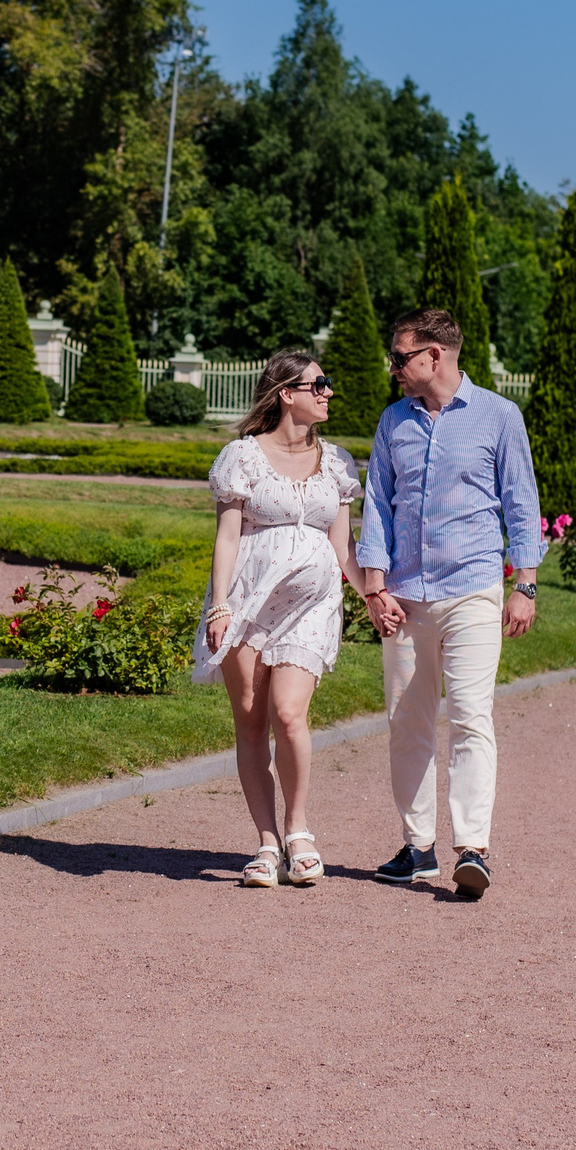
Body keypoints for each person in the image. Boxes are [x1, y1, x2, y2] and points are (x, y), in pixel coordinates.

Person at [354, 308, 544, 900]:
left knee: (469, 715)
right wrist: (375, 587)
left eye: (401, 356)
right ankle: (417, 849)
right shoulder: (394, 422)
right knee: (406, 724)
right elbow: (378, 505)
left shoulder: (498, 416)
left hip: (473, 591)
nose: (394, 368)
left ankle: (473, 849)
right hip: (405, 598)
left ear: (435, 354)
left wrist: (526, 583)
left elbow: (520, 499)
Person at [198, 348, 363, 887]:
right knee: (250, 718)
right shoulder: (242, 457)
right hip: (246, 600)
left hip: (311, 607)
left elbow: (343, 547)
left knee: (288, 713)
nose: (328, 392)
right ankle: (266, 844)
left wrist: (371, 595)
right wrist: (221, 602)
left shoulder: (336, 461)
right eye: (319, 385)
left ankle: (298, 831)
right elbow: (227, 535)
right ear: (286, 393)